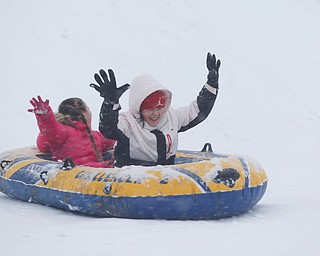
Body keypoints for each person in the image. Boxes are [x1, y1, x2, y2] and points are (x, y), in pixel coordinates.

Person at [90, 52, 221, 167]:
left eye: (159, 108)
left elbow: (198, 111)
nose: (155, 114)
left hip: (165, 178)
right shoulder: (127, 122)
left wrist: (211, 85)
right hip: (132, 179)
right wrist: (110, 103)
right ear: (139, 107)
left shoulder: (171, 117)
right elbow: (108, 128)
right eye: (149, 109)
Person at [28, 96, 115, 168]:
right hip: (76, 174)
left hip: (97, 172)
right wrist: (45, 116)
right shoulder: (64, 132)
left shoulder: (96, 135)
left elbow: (113, 139)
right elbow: (50, 129)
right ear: (83, 113)